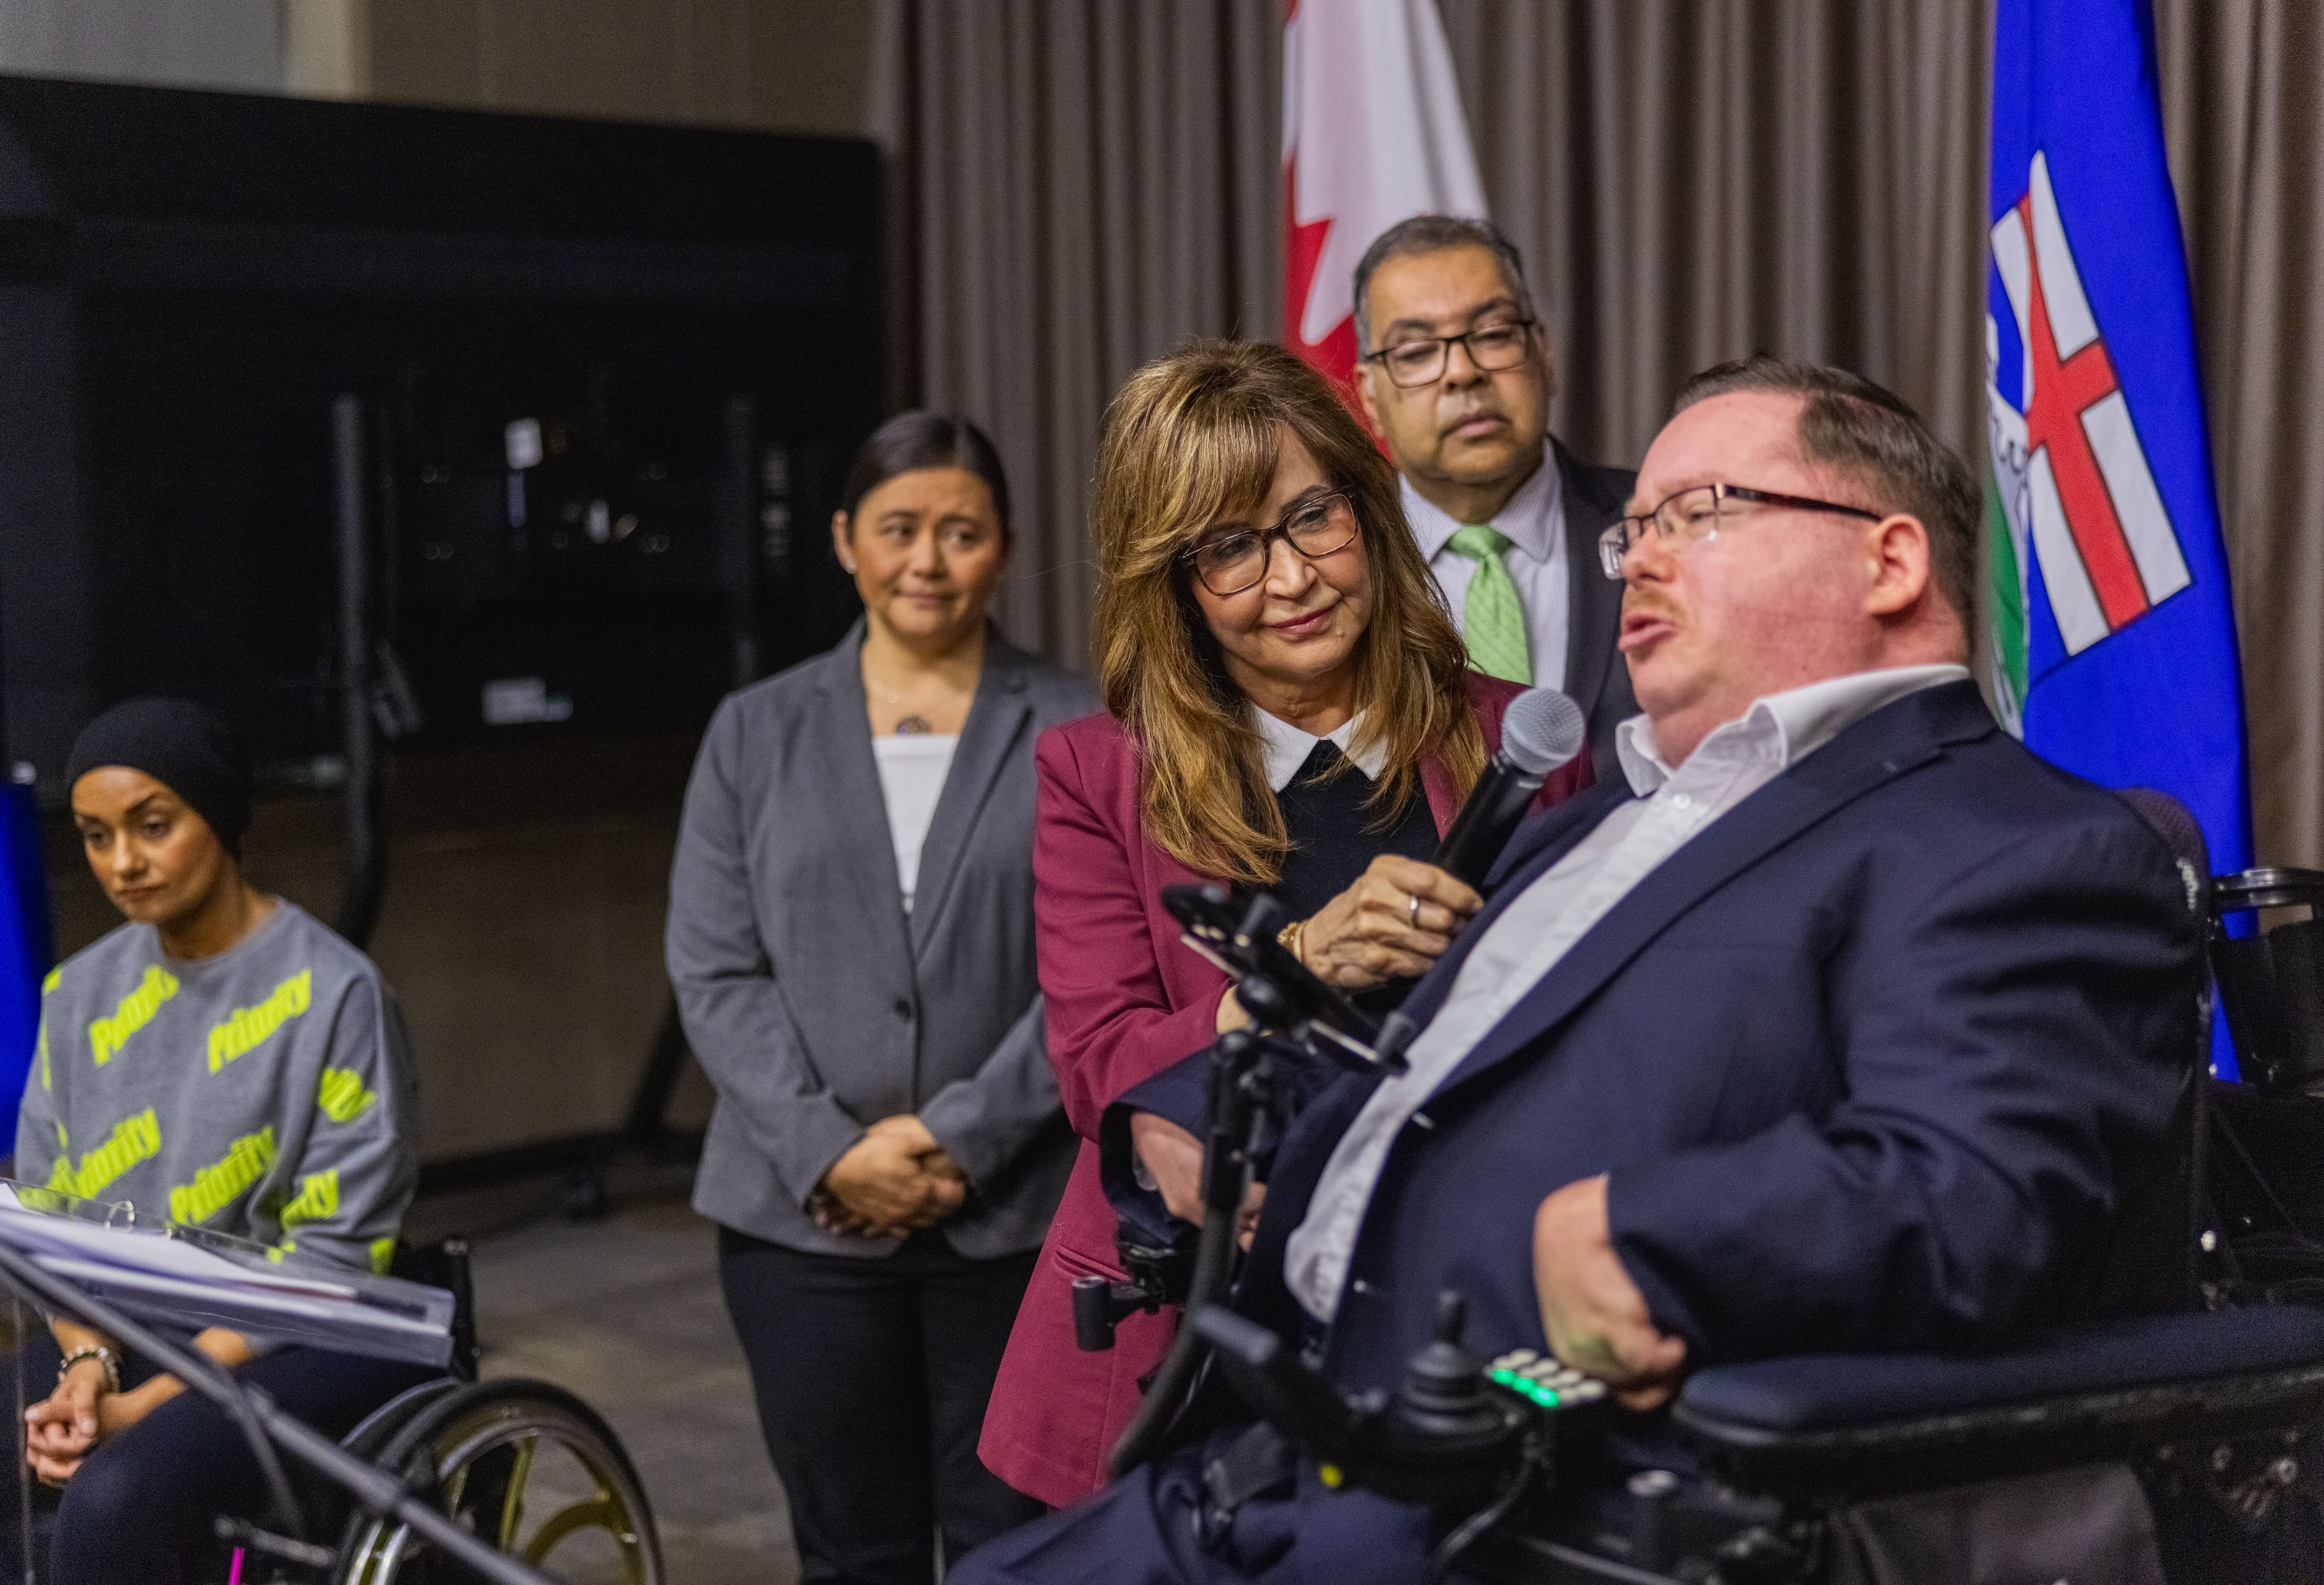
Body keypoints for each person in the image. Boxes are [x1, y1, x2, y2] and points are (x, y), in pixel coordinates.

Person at [954, 355, 2200, 1583]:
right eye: (1636, 527)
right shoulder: (1597, 823)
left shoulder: (2019, 846)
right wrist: (1198, 1102)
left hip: (1503, 1488)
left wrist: (1650, 1234)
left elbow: (1972, 1189)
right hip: (1264, 1431)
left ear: (1890, 559)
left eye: (1698, 514)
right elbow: (1414, 1052)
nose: (1638, 555)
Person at [978, 340, 1595, 1508]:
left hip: (1444, 1311)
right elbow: (1098, 1070)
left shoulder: (1521, 746)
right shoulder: (1098, 775)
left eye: (1313, 516)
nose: (1295, 576)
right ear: (1172, 580)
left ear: (1365, 509)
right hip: (1184, 1335)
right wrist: (1298, 962)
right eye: (1230, 549)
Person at [667, 411, 1096, 1584]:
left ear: (1004, 548)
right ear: (845, 540)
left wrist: (961, 1137)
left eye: (961, 532)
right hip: (798, 1222)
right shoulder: (752, 731)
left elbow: (1099, 968)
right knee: (853, 1552)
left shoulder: (1084, 727)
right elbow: (712, 965)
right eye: (899, 529)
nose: (927, 559)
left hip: (1016, 1219)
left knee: (1021, 1545)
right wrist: (826, 1148)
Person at [0, 697, 430, 1585]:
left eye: (153, 826)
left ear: (222, 818)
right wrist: (88, 1365)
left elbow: (330, 1259)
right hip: (135, 1320)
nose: (122, 862)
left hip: (309, 1329)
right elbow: (58, 1223)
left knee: (119, 1495)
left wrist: (145, 1407)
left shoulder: (335, 994)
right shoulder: (80, 993)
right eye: (96, 836)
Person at [1350, 215, 1641, 780]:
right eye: (1416, 352)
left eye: (1493, 334)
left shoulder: (1662, 522)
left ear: (1544, 354)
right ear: (1370, 396)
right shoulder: (1336, 564)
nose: (1463, 372)